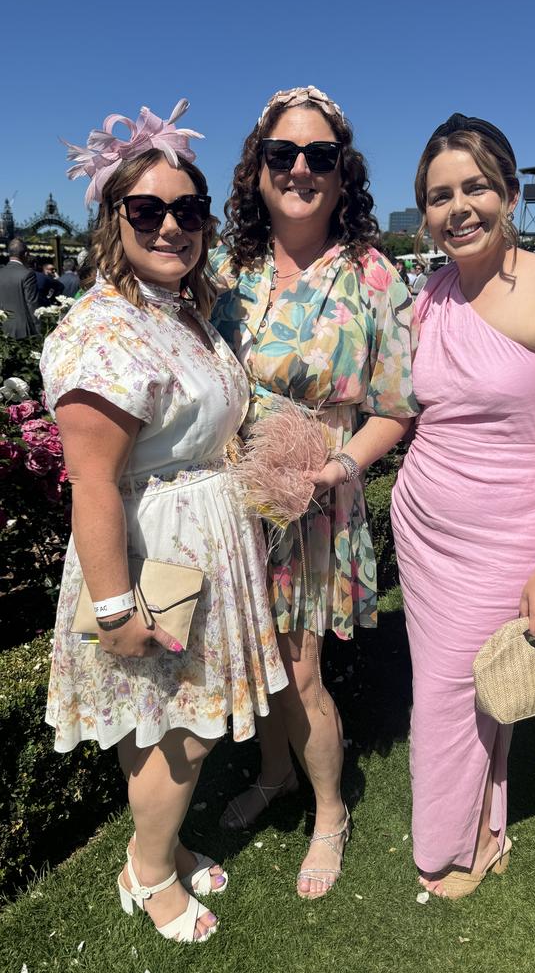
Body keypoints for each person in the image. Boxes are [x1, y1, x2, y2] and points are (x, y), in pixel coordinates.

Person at [40, 99, 287, 943]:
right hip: (156, 558)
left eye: (189, 210)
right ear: (115, 218)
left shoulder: (177, 307)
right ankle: (147, 875)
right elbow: (92, 482)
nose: (172, 226)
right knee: (180, 734)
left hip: (202, 544)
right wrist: (114, 608)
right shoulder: (103, 328)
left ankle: (162, 847)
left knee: (167, 728)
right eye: (147, 210)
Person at [391, 112, 535, 899]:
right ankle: (482, 822)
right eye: (439, 195)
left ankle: (446, 850)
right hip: (422, 523)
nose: (458, 208)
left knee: (455, 692)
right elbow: (406, 409)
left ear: (510, 192)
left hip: (507, 525)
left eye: (475, 186)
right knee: (466, 685)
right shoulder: (429, 296)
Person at [209, 86, 418, 899]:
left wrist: (337, 468)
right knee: (253, 662)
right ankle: (274, 772)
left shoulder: (373, 275)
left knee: (300, 672)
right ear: (257, 170)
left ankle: (329, 809)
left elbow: (395, 406)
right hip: (234, 496)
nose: (300, 169)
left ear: (343, 171)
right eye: (282, 154)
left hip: (314, 499)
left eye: (319, 156)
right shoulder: (229, 268)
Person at [0, 237, 40, 337]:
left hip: (3, 328)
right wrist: (39, 330)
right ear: (26, 254)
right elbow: (32, 304)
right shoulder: (27, 274)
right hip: (23, 330)